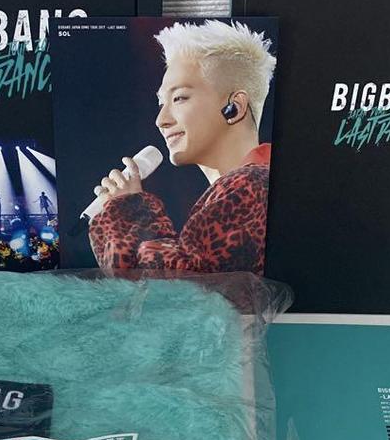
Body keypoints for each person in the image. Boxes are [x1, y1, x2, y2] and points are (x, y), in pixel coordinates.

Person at [88, 20, 276, 272]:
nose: (161, 120)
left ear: (235, 108)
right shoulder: (250, 186)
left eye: (179, 98)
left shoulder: (250, 187)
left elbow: (172, 289)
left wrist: (129, 211)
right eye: (161, 103)